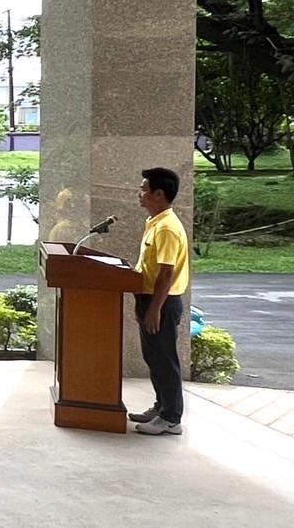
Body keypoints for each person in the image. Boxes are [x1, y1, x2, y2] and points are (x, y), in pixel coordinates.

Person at [131, 167, 191, 436]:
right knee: (154, 357)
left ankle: (171, 418)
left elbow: (166, 273)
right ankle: (161, 407)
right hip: (150, 299)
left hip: (162, 303)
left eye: (144, 189)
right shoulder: (156, 222)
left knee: (165, 360)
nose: (139, 194)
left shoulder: (167, 228)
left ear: (158, 194)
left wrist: (155, 309)